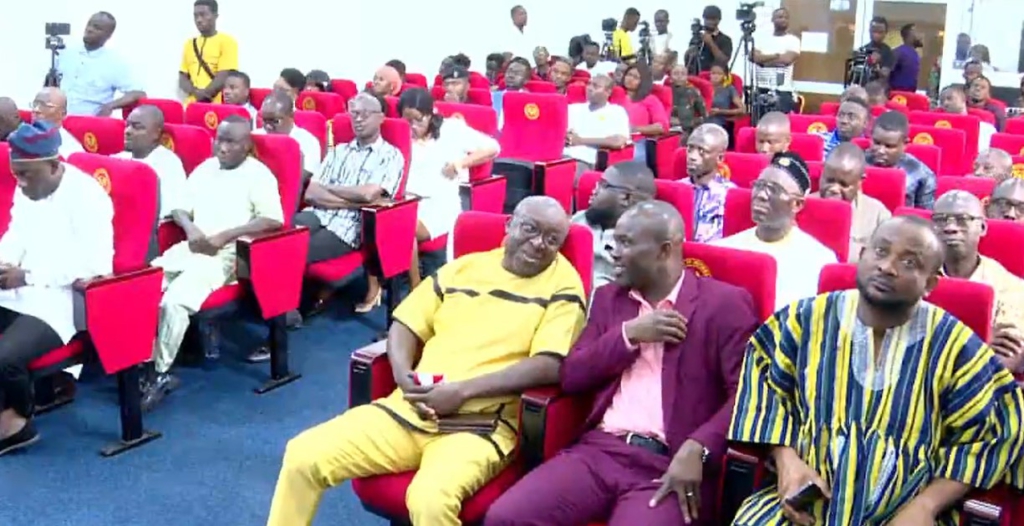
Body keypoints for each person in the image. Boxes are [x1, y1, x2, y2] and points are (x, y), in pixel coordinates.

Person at [267, 196, 587, 526]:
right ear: (509, 225)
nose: (539, 244)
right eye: (530, 229)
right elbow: (406, 323)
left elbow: (550, 364)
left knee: (430, 500)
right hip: (411, 408)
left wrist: (462, 392)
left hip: (479, 426)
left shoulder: (563, 285)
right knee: (303, 455)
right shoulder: (465, 268)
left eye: (552, 239)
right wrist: (403, 377)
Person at [729, 215, 1024, 526]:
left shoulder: (955, 345)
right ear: (862, 255)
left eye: (909, 262)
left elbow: (994, 432)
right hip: (806, 501)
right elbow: (763, 387)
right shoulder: (803, 320)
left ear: (930, 284)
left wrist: (927, 505)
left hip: (905, 509)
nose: (887, 267)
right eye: (881, 251)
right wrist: (787, 461)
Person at [485, 200, 758, 526]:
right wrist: (628, 335)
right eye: (615, 240)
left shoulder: (724, 304)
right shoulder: (608, 299)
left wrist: (699, 448)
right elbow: (572, 376)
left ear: (664, 250)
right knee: (505, 518)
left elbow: (748, 396)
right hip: (600, 451)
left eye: (626, 243)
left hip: (669, 464)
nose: (613, 252)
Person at [141, 115, 284, 410]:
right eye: (219, 140)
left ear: (247, 145)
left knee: (174, 301)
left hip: (227, 255)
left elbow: (272, 220)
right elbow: (179, 208)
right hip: (192, 246)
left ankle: (160, 372)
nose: (222, 147)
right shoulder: (205, 169)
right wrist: (191, 228)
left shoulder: (259, 175)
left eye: (231, 142)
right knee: (143, 285)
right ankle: (140, 361)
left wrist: (226, 236)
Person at [0, 122, 113, 456]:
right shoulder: (28, 187)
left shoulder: (88, 196)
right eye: (16, 174)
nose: (20, 182)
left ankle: (19, 422)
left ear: (53, 165)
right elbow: (16, 233)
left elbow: (95, 266)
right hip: (20, 284)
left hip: (63, 299)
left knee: (5, 358)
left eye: (26, 174)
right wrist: (4, 262)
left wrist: (28, 276)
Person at [297, 92, 404, 322]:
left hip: (348, 227)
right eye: (354, 113)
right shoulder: (339, 151)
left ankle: (286, 314)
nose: (358, 119)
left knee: (292, 250)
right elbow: (311, 193)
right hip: (316, 213)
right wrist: (352, 200)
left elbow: (369, 194)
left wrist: (330, 188)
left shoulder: (390, 155)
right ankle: (283, 307)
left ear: (381, 118)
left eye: (365, 114)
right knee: (278, 238)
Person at [397, 88, 500, 285]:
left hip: (439, 203)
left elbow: (493, 148)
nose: (412, 127)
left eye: (418, 120)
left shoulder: (451, 130)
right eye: (407, 121)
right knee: (389, 219)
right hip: (407, 199)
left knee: (405, 226)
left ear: (431, 113)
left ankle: (415, 286)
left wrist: (461, 163)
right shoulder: (400, 134)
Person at [714, 152, 837, 308]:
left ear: (797, 204)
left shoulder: (819, 260)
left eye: (774, 190)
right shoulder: (724, 249)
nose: (761, 195)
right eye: (759, 185)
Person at [934, 190, 1024, 372]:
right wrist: (979, 342)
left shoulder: (1009, 286)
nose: (950, 227)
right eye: (941, 220)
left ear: (982, 227)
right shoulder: (914, 277)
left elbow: (1006, 359)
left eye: (962, 219)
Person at [571, 161, 656, 290]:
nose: (594, 190)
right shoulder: (580, 219)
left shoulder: (645, 241)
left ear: (625, 197)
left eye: (603, 185)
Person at [58, 12, 145, 117]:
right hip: (58, 118)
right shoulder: (66, 53)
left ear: (108, 35)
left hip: (89, 121)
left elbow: (138, 93)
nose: (90, 29)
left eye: (97, 28)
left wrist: (110, 106)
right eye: (89, 24)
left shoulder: (114, 62)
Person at [818, 143, 890, 261]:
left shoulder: (878, 215)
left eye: (844, 184)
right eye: (829, 181)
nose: (834, 189)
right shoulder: (802, 207)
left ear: (860, 181)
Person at [117, 105, 188, 218]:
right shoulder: (118, 159)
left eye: (137, 127)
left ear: (156, 133)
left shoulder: (168, 164)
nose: (127, 131)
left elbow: (170, 210)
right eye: (127, 125)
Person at [564, 74, 631, 177]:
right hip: (561, 156)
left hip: (585, 160)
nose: (590, 88)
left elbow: (618, 141)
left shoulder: (616, 111)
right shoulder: (573, 108)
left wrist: (581, 140)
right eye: (589, 84)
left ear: (608, 92)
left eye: (595, 86)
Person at [867, 110, 936, 209]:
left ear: (905, 144)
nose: (881, 151)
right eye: (877, 143)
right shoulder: (857, 163)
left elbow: (924, 214)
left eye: (889, 146)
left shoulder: (921, 174)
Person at [256, 90, 322, 187]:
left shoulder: (308, 142)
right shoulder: (256, 136)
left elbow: (302, 178)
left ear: (291, 116)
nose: (268, 126)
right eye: (265, 121)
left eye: (275, 121)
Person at [179, 0, 238, 104]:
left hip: (216, 103)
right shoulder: (189, 44)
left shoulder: (228, 42)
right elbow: (182, 77)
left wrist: (204, 95)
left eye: (203, 15)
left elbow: (225, 75)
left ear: (215, 16)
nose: (198, 20)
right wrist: (195, 93)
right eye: (195, 16)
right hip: (190, 104)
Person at [684, 124, 735, 243]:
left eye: (702, 151)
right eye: (690, 149)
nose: (692, 157)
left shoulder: (729, 196)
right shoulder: (677, 188)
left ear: (720, 158)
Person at [751, 8, 801, 114]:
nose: (783, 20)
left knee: (779, 120)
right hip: (761, 88)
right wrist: (776, 56)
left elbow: (786, 60)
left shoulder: (793, 40)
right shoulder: (762, 38)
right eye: (780, 17)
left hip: (782, 90)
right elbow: (753, 57)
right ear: (772, 19)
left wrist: (762, 62)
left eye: (786, 17)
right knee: (759, 120)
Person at [30, 88, 84, 159]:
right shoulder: (22, 136)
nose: (36, 110)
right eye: (35, 104)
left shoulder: (71, 152)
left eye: (45, 106)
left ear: (62, 114)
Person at [939, 84, 995, 151]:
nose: (945, 103)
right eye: (942, 101)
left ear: (963, 99)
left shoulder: (985, 128)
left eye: (949, 98)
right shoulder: (939, 128)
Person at [686, 5, 732, 74]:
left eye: (713, 19)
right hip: (697, 76)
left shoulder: (725, 39)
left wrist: (711, 43)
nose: (710, 22)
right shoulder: (697, 38)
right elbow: (689, 61)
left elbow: (723, 61)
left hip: (716, 77)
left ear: (718, 20)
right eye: (707, 19)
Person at [706, 62, 744, 145]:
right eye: (713, 73)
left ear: (725, 75)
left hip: (718, 123)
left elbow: (742, 110)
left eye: (719, 74)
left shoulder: (729, 89)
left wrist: (720, 111)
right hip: (701, 120)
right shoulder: (703, 86)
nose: (715, 76)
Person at [668, 64, 707, 140]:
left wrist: (692, 123)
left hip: (687, 129)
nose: (679, 76)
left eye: (683, 74)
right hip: (668, 129)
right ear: (670, 76)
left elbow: (704, 114)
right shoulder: (665, 91)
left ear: (687, 76)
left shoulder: (693, 92)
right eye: (676, 73)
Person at [889, 23, 922, 92]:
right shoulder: (898, 52)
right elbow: (887, 73)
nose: (920, 36)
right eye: (917, 32)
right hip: (897, 94)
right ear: (910, 35)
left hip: (910, 93)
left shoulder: (915, 54)